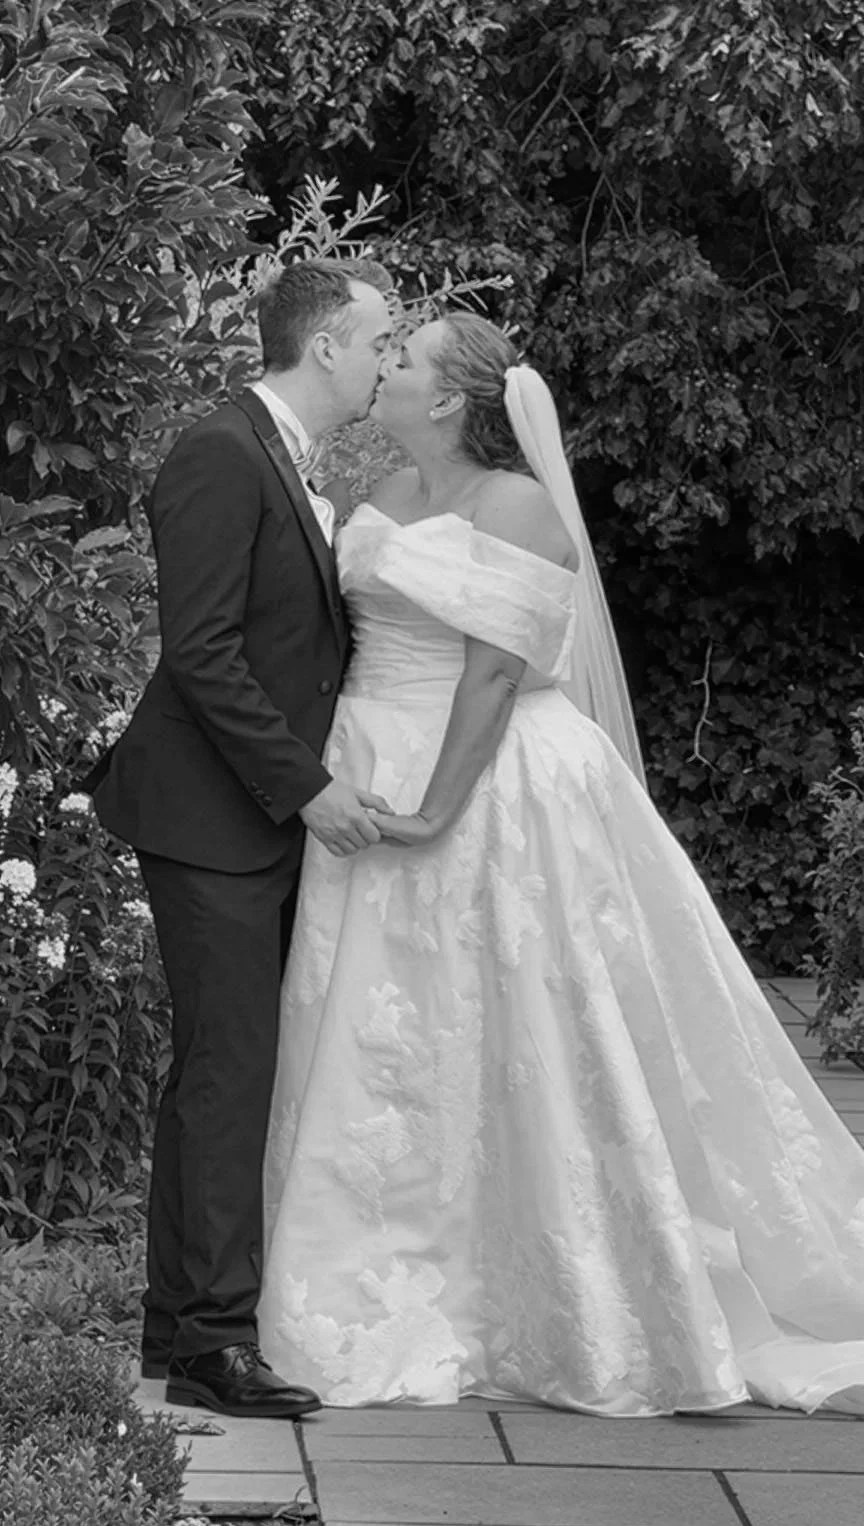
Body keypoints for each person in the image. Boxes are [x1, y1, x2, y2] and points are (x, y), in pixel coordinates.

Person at [257, 311, 864, 1416]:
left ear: (448, 401)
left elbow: (493, 676)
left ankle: (578, 1284)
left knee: (533, 1012)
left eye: (405, 361)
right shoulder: (380, 498)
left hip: (490, 788)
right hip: (370, 760)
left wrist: (436, 811)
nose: (385, 369)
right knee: (381, 1023)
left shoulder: (522, 508)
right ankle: (395, 1271)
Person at [82, 258, 394, 1418]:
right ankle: (216, 1343)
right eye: (376, 340)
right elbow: (201, 651)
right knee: (230, 1070)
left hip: (242, 817)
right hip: (215, 817)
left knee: (216, 1069)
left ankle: (179, 1328)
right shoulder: (221, 451)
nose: (381, 361)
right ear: (324, 347)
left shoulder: (280, 455)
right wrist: (308, 788)